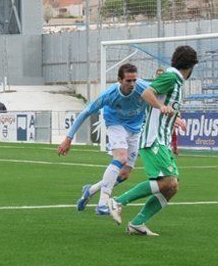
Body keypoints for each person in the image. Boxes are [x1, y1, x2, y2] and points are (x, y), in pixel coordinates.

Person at [107, 45, 198, 236]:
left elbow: (165, 104)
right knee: (166, 182)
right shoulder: (171, 77)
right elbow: (147, 93)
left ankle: (137, 223)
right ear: (190, 66)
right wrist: (160, 107)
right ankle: (117, 201)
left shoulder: (176, 82)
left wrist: (176, 119)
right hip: (153, 139)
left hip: (162, 139)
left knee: (172, 187)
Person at [58, 64, 150, 215]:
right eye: (128, 81)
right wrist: (68, 138)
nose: (132, 84)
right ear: (119, 80)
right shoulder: (109, 95)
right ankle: (102, 204)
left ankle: (90, 190)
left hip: (135, 129)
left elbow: (163, 92)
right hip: (115, 123)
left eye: (134, 80)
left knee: (124, 174)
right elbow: (85, 113)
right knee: (121, 158)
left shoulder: (144, 87)